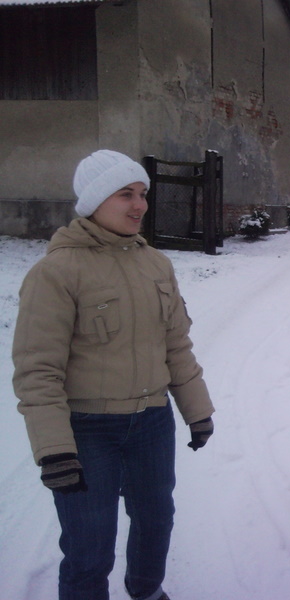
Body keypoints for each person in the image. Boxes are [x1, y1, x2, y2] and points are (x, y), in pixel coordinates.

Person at [12, 150, 216, 600]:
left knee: (156, 521)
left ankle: (146, 591)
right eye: (126, 194)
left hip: (151, 422)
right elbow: (37, 371)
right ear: (93, 201)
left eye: (142, 193)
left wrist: (196, 410)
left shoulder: (155, 264)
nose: (139, 205)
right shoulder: (57, 272)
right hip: (88, 430)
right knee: (89, 547)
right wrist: (55, 452)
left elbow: (175, 345)